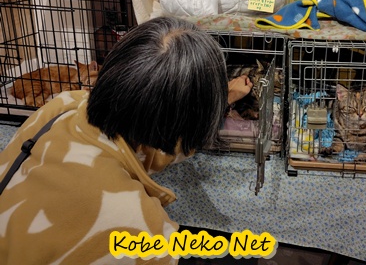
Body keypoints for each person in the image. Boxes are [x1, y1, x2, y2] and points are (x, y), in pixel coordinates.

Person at [0, 16, 252, 264]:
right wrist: (215, 103)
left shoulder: (62, 105)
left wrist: (225, 96)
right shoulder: (139, 230)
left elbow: (147, 147)